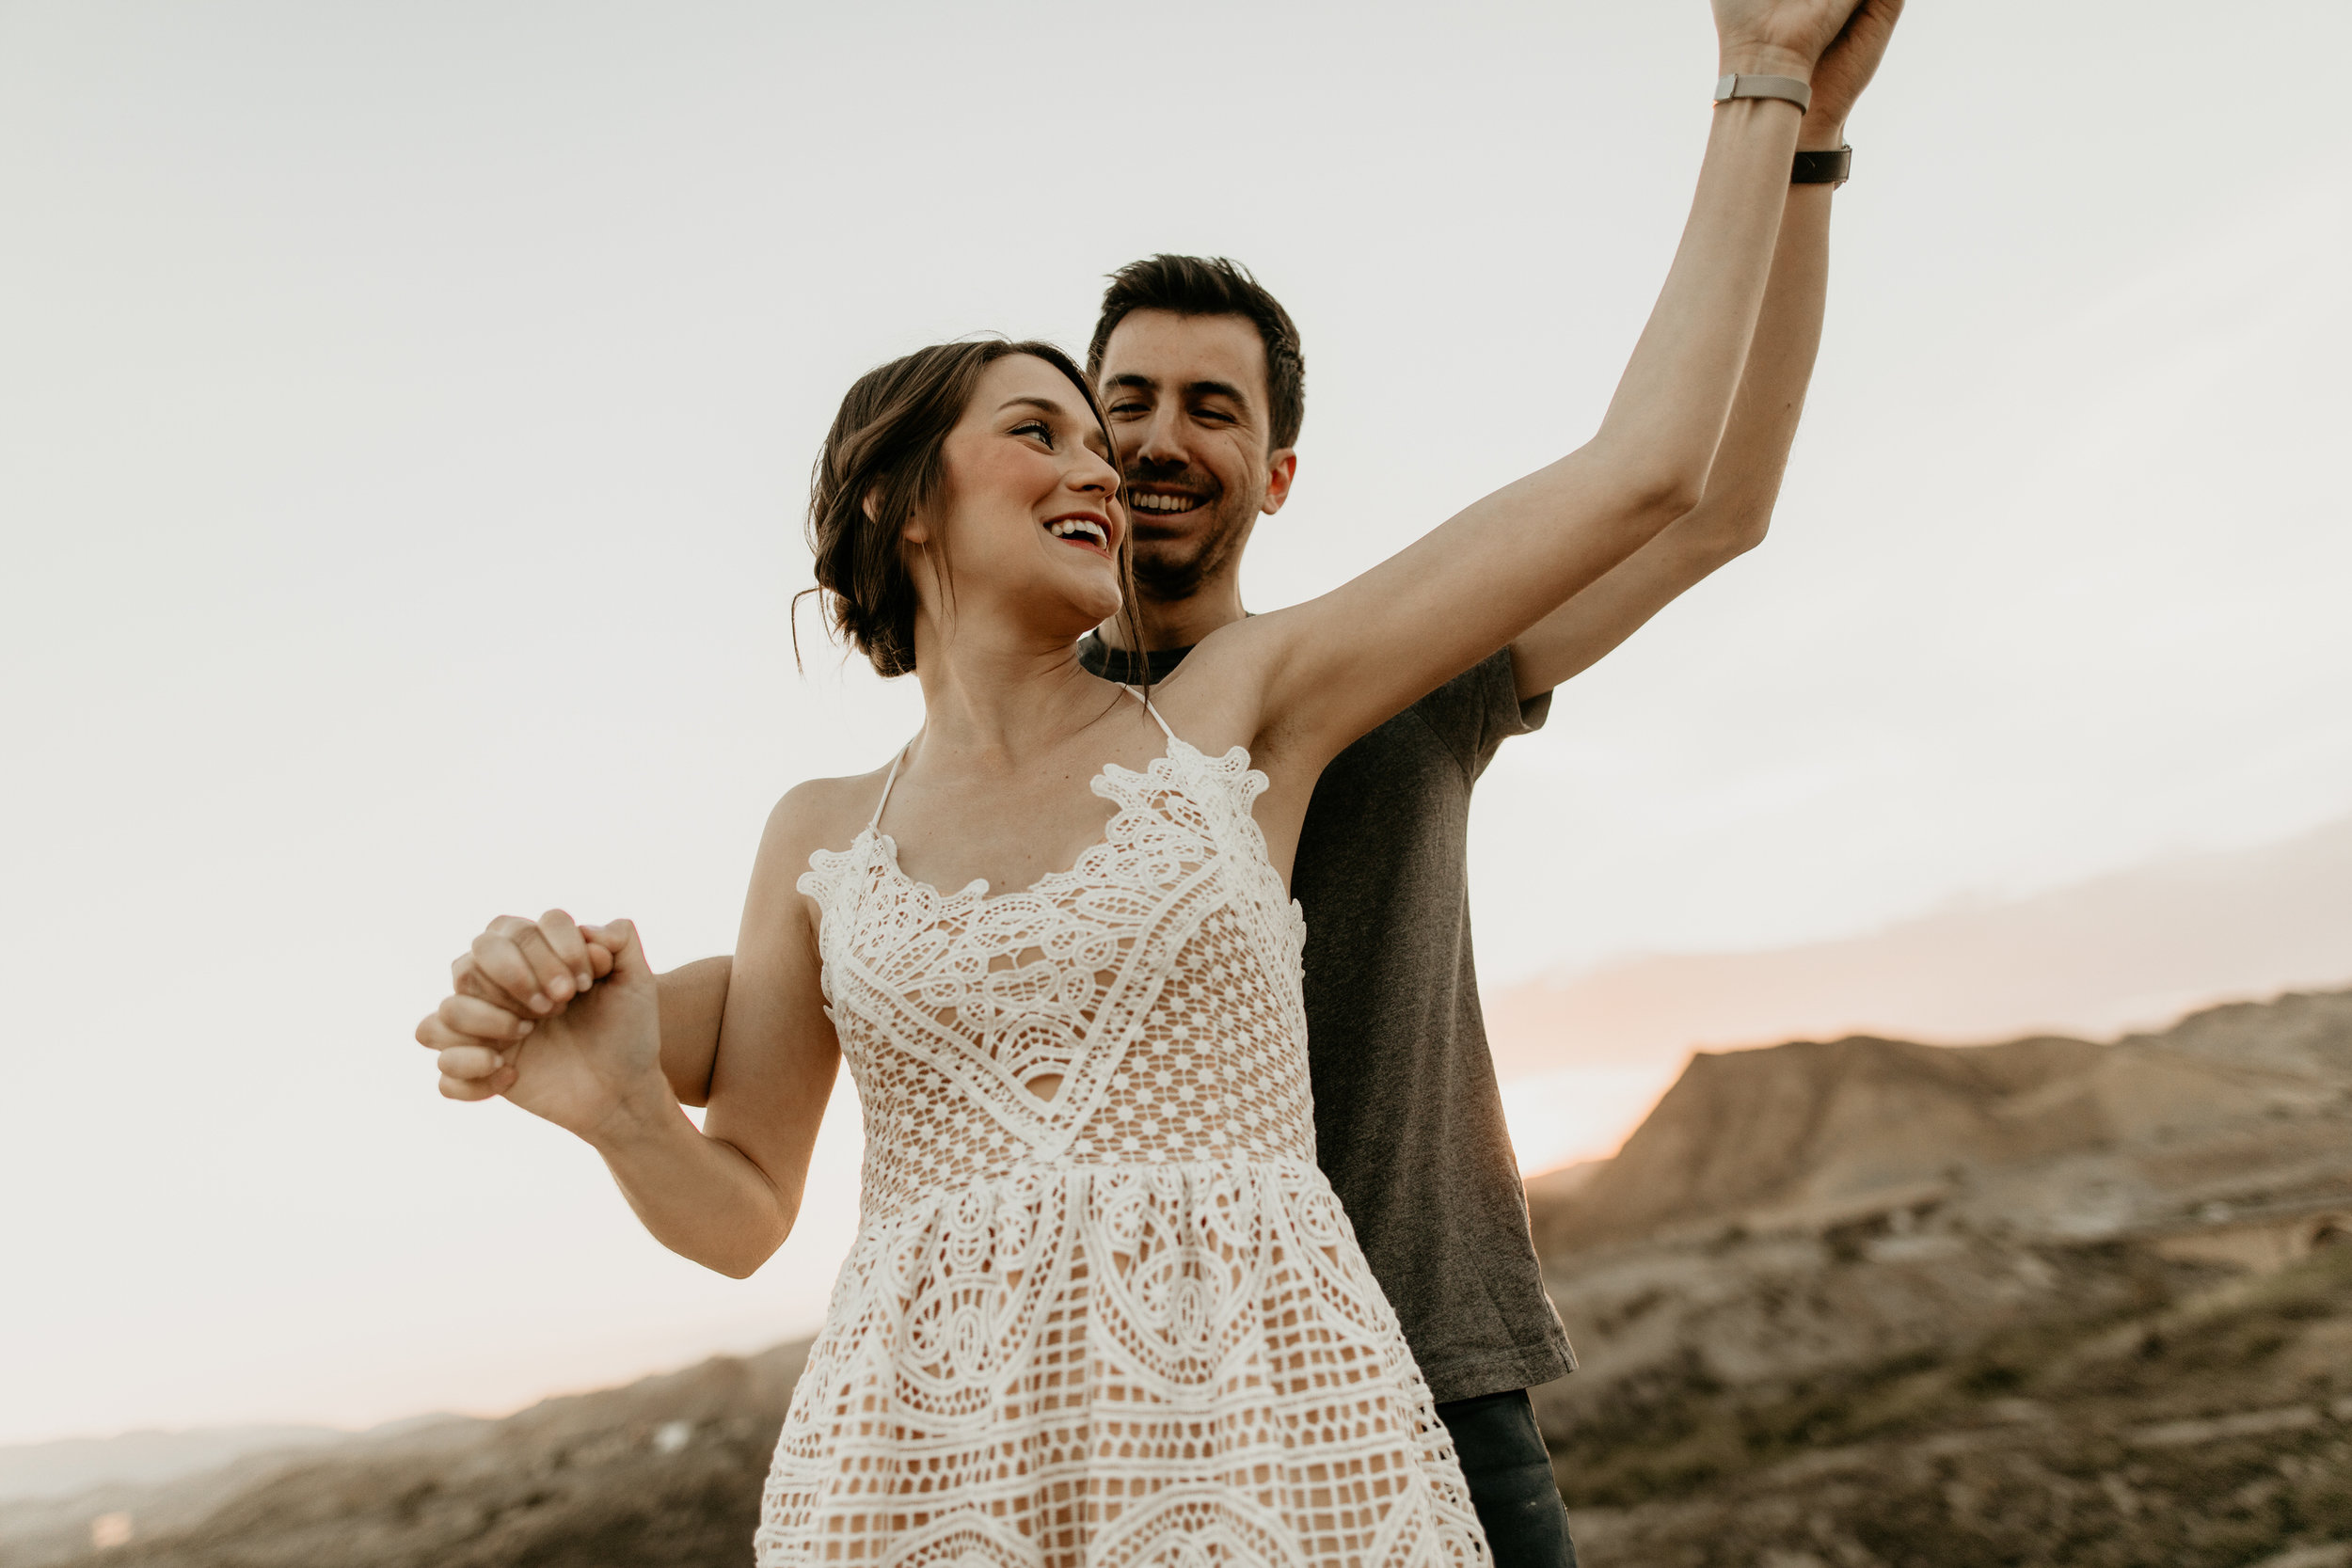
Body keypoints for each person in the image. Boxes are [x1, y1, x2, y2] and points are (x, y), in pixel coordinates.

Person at [416, 2, 1892, 1562]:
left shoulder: (1299, 695)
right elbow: (789, 1041)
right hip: (972, 1458)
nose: (1127, 457)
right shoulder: (841, 826)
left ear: (1278, 471)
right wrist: (582, 1037)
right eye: (1096, 414)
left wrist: (1783, 114)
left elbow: (1681, 486)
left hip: (1365, 1381)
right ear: (914, 496)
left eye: (1209, 411)